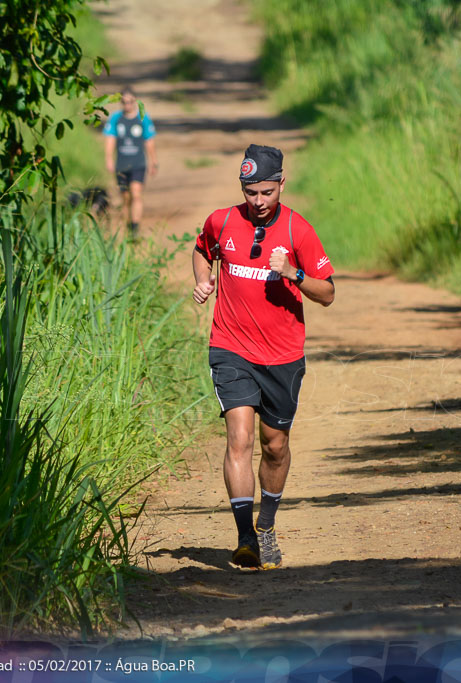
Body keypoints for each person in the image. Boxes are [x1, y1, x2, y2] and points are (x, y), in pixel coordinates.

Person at [191, 144, 335, 570]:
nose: (257, 202)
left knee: (275, 446)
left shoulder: (298, 231)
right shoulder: (221, 221)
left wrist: (295, 273)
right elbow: (202, 249)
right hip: (231, 347)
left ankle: (267, 526)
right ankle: (245, 537)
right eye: (250, 192)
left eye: (266, 193)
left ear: (281, 185)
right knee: (240, 439)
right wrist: (204, 279)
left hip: (283, 356)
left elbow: (327, 293)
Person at [103, 86, 158, 236]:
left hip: (138, 163)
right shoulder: (115, 118)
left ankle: (135, 226)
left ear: (135, 101)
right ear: (121, 102)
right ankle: (128, 224)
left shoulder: (143, 118)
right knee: (125, 197)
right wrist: (108, 159)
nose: (127, 105)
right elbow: (110, 140)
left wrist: (153, 161)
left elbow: (149, 141)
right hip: (121, 164)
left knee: (136, 193)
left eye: (130, 102)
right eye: (124, 102)